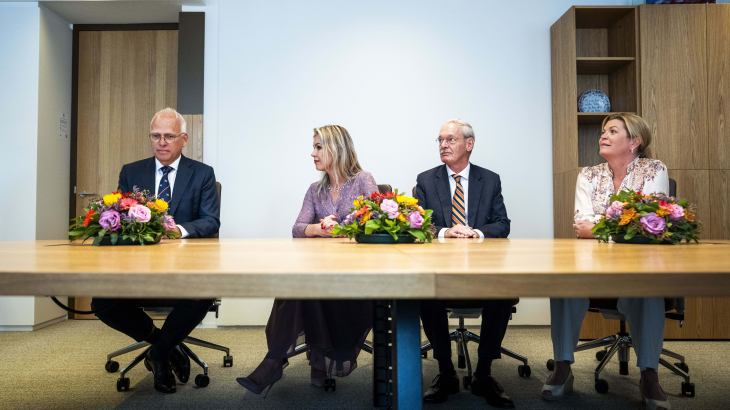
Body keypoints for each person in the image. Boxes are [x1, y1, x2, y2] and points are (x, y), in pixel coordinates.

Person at [237, 125, 378, 395]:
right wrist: (319, 229)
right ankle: (290, 360)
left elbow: (372, 222)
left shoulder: (363, 180)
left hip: (355, 277)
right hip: (321, 272)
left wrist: (339, 227)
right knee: (299, 284)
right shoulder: (316, 189)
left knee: (302, 287)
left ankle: (279, 362)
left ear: (335, 148)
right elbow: (297, 228)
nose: (312, 153)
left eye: (318, 147)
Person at [542, 113, 671, 410]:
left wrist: (603, 228)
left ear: (635, 141)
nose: (603, 135)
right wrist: (620, 227)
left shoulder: (654, 169)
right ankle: (562, 366)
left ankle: (649, 374)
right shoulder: (588, 174)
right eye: (603, 130)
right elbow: (581, 225)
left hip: (640, 263)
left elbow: (646, 224)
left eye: (612, 130)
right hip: (591, 264)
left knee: (646, 290)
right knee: (562, 284)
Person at [91, 108, 220, 394]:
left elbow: (211, 221)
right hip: (137, 266)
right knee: (101, 301)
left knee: (203, 292)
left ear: (184, 139)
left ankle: (159, 355)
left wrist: (178, 231)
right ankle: (165, 346)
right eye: (156, 136)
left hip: (185, 267)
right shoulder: (132, 171)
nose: (161, 142)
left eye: (169, 136)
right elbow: (121, 219)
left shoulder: (202, 174)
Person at [414, 119, 514, 408]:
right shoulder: (425, 180)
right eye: (440, 140)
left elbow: (502, 224)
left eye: (450, 140)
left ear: (468, 144)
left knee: (504, 289)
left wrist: (476, 232)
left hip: (482, 268)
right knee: (427, 295)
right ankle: (445, 373)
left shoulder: (490, 179)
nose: (443, 145)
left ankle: (483, 374)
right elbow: (418, 223)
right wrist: (447, 231)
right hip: (442, 268)